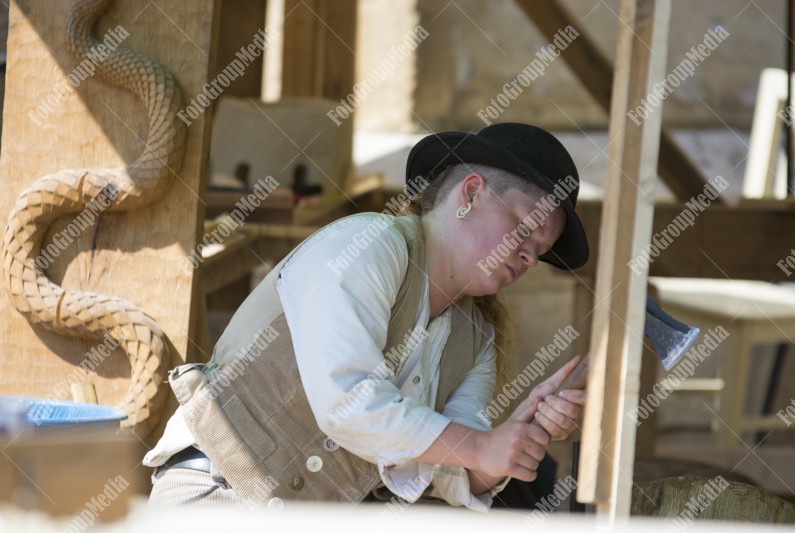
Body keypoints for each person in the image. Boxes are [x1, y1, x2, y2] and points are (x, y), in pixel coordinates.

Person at [143, 122, 590, 512]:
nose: (529, 257)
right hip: (214, 495)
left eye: (539, 250)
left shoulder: (476, 340)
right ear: (471, 192)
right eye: (526, 228)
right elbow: (349, 404)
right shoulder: (368, 245)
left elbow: (449, 471)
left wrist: (515, 441)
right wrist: (479, 446)